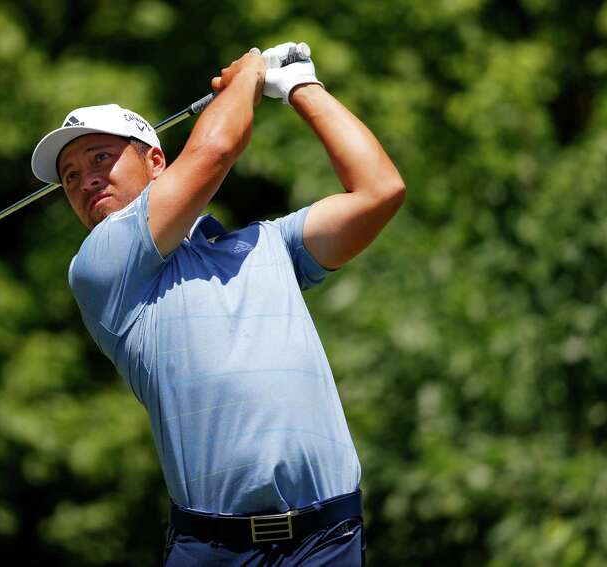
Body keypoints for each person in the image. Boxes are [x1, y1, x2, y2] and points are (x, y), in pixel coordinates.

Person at [30, 42, 405, 566]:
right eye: (70, 176)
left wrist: (300, 85)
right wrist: (251, 73)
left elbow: (380, 189)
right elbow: (215, 150)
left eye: (101, 158)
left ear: (155, 160)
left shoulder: (269, 245)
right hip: (214, 549)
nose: (86, 179)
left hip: (327, 537)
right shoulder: (100, 267)